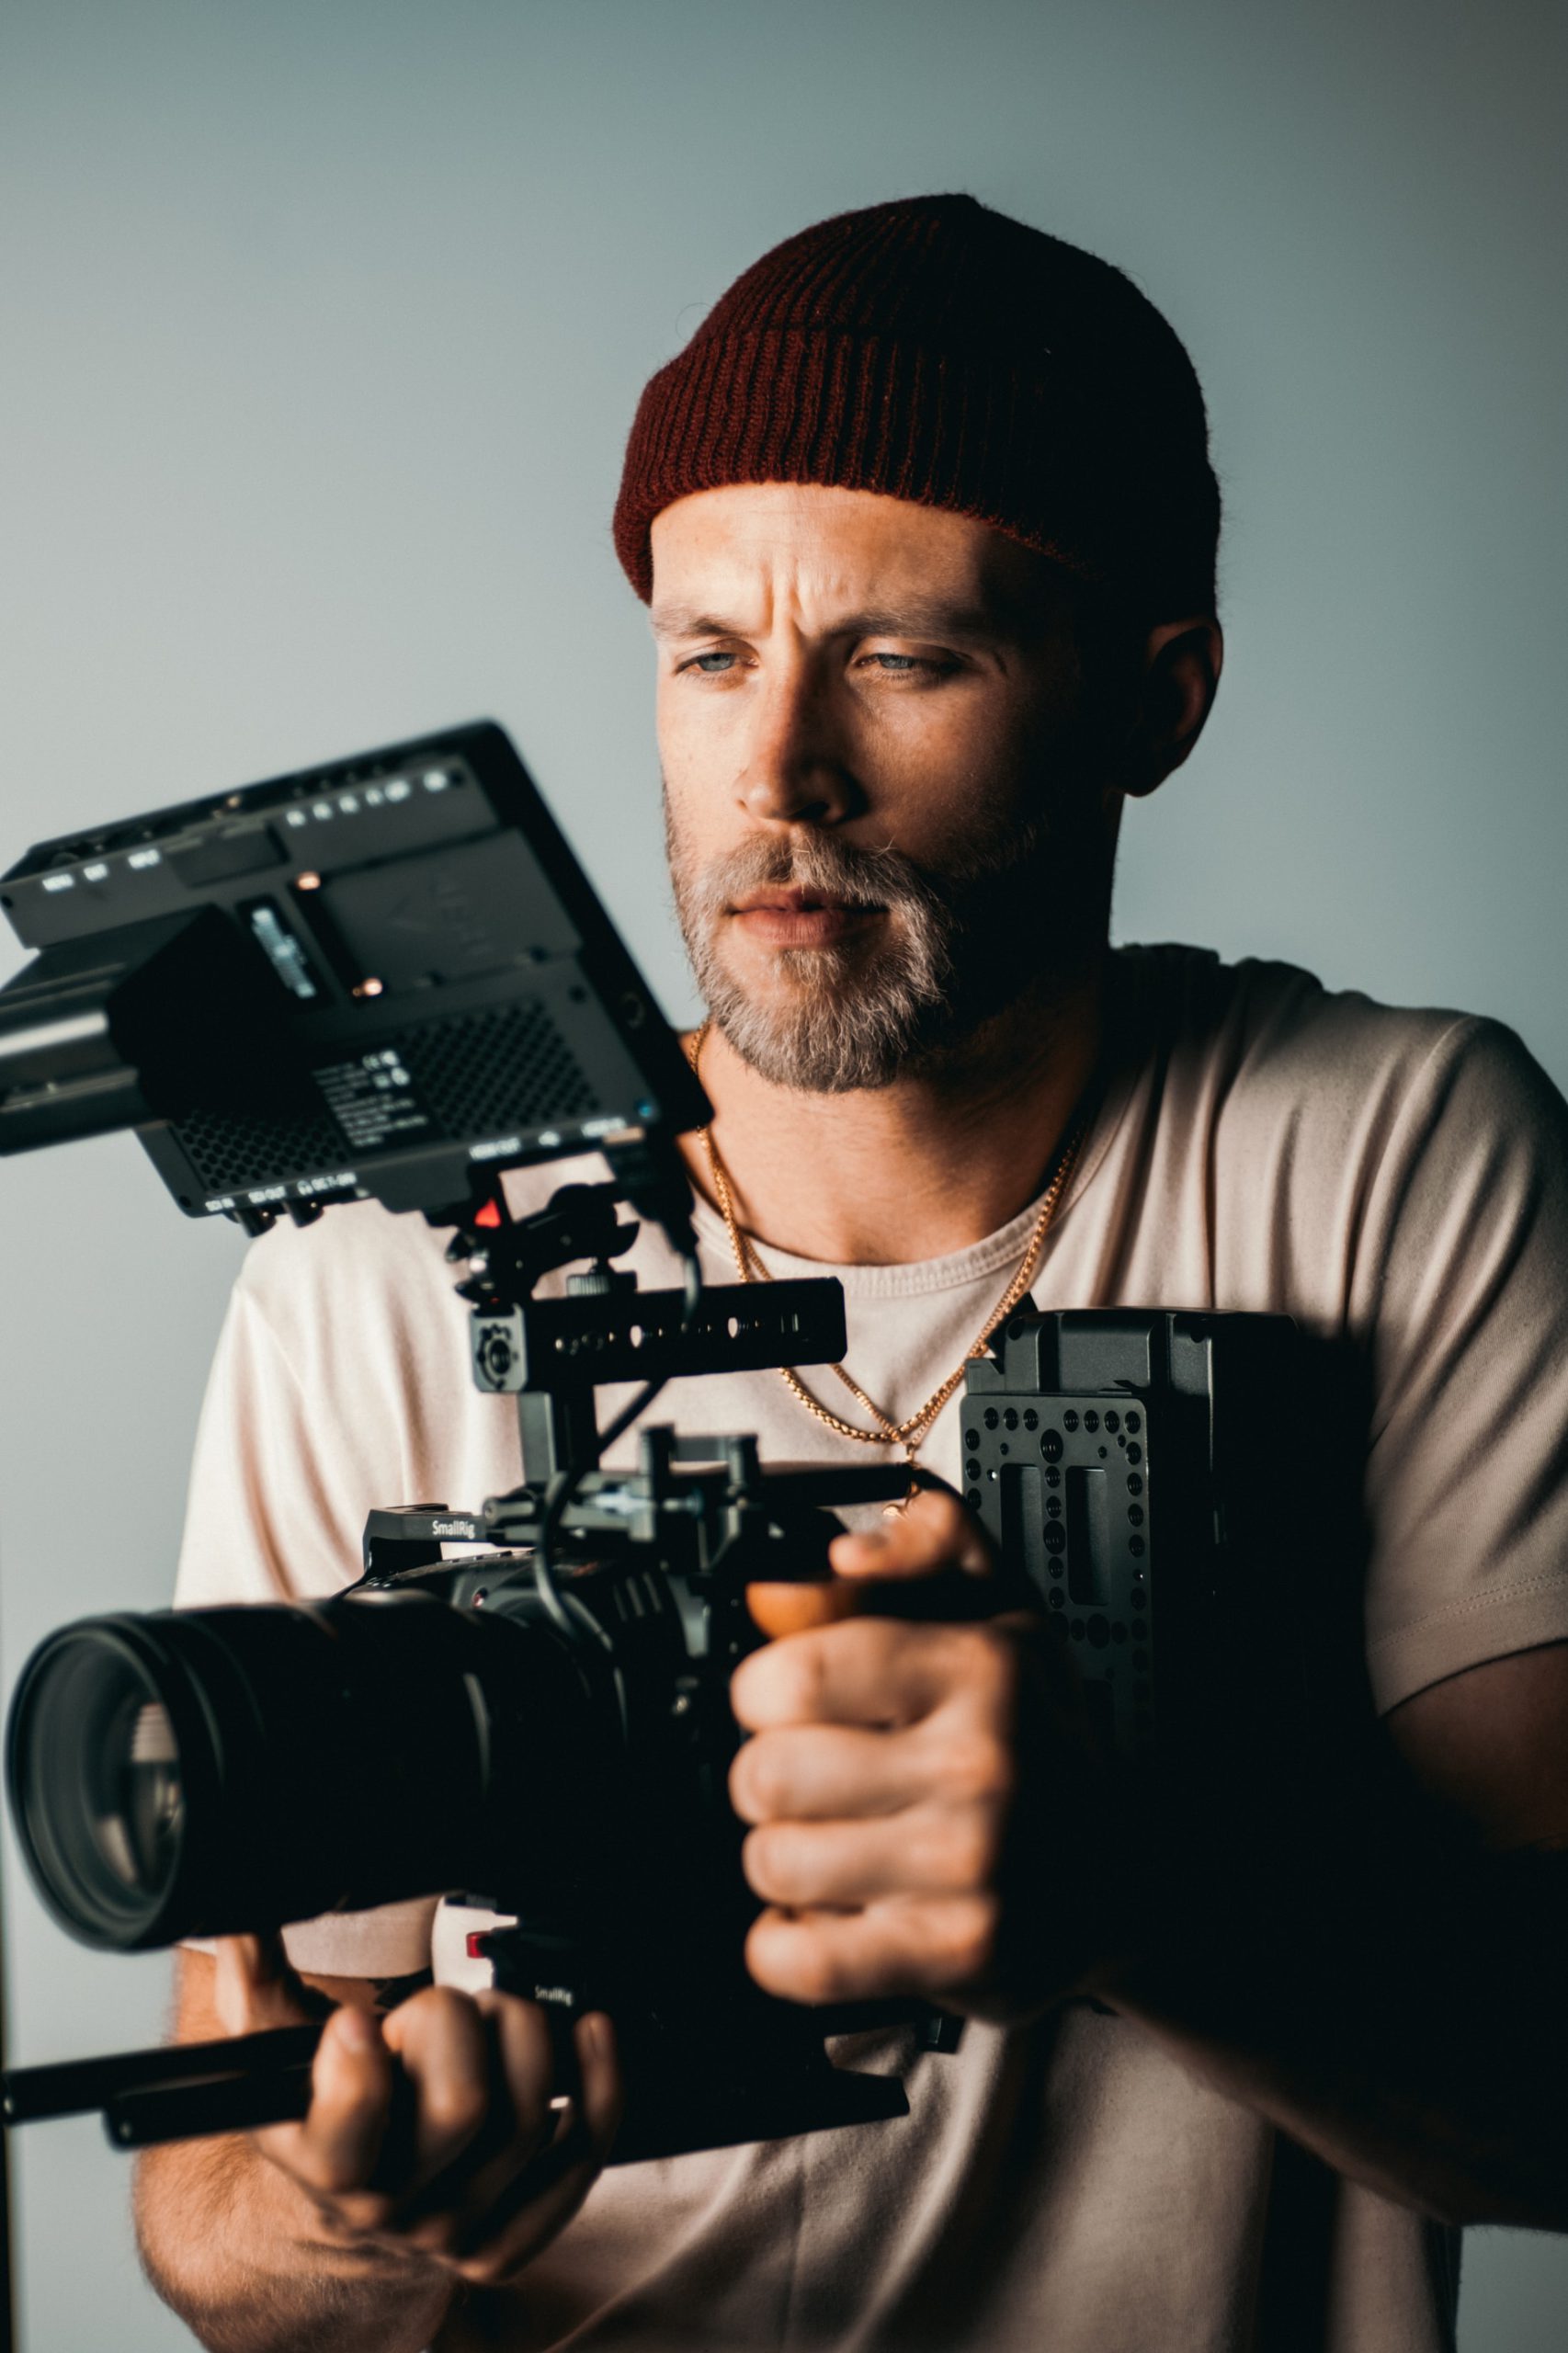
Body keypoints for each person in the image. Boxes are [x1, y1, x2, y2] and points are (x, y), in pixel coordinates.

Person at [133, 195, 1568, 2352]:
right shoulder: (390, 1257)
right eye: (710, 653)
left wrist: (1126, 1888)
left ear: (1150, 695)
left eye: (902, 658)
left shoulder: (1381, 1151)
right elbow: (215, 2215)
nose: (775, 776)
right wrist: (363, 2213)